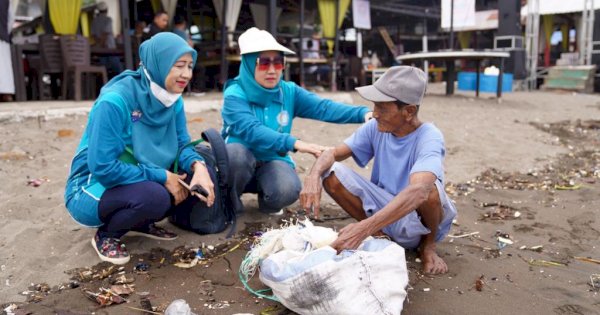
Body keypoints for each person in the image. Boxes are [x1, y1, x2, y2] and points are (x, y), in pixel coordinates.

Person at [64, 33, 215, 265]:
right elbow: (103, 167)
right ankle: (106, 236)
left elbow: (182, 144)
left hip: (134, 178)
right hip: (90, 188)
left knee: (194, 180)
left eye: (190, 66)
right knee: (154, 196)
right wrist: (162, 175)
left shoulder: (172, 99)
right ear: (159, 64)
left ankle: (139, 223)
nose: (186, 74)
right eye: (179, 66)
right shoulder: (115, 102)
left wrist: (199, 167)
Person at [299, 66, 457, 274]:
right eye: (374, 106)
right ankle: (383, 237)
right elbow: (332, 153)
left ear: (408, 111)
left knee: (429, 190)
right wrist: (313, 176)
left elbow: (419, 192)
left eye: (382, 108)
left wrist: (364, 228)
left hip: (418, 225)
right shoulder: (376, 127)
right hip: (385, 212)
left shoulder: (429, 136)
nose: (374, 114)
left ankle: (427, 247)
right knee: (331, 171)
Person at [221, 27, 372, 216]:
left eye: (278, 62)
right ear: (250, 64)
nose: (272, 70)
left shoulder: (288, 91)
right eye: (263, 62)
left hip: (273, 158)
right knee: (235, 155)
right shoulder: (234, 94)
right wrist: (296, 143)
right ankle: (230, 202)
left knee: (286, 190)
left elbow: (323, 107)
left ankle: (268, 203)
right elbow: (252, 130)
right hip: (241, 161)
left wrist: (363, 113)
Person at [90, 1, 123, 77]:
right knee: (117, 70)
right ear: (106, 10)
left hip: (100, 50)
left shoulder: (94, 21)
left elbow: (94, 36)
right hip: (109, 48)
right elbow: (105, 34)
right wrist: (102, 45)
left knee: (104, 70)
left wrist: (99, 46)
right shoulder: (108, 20)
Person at [0, 0, 14, 101]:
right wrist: (5, 31)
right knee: (4, 67)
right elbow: (11, 19)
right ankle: (6, 94)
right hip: (2, 35)